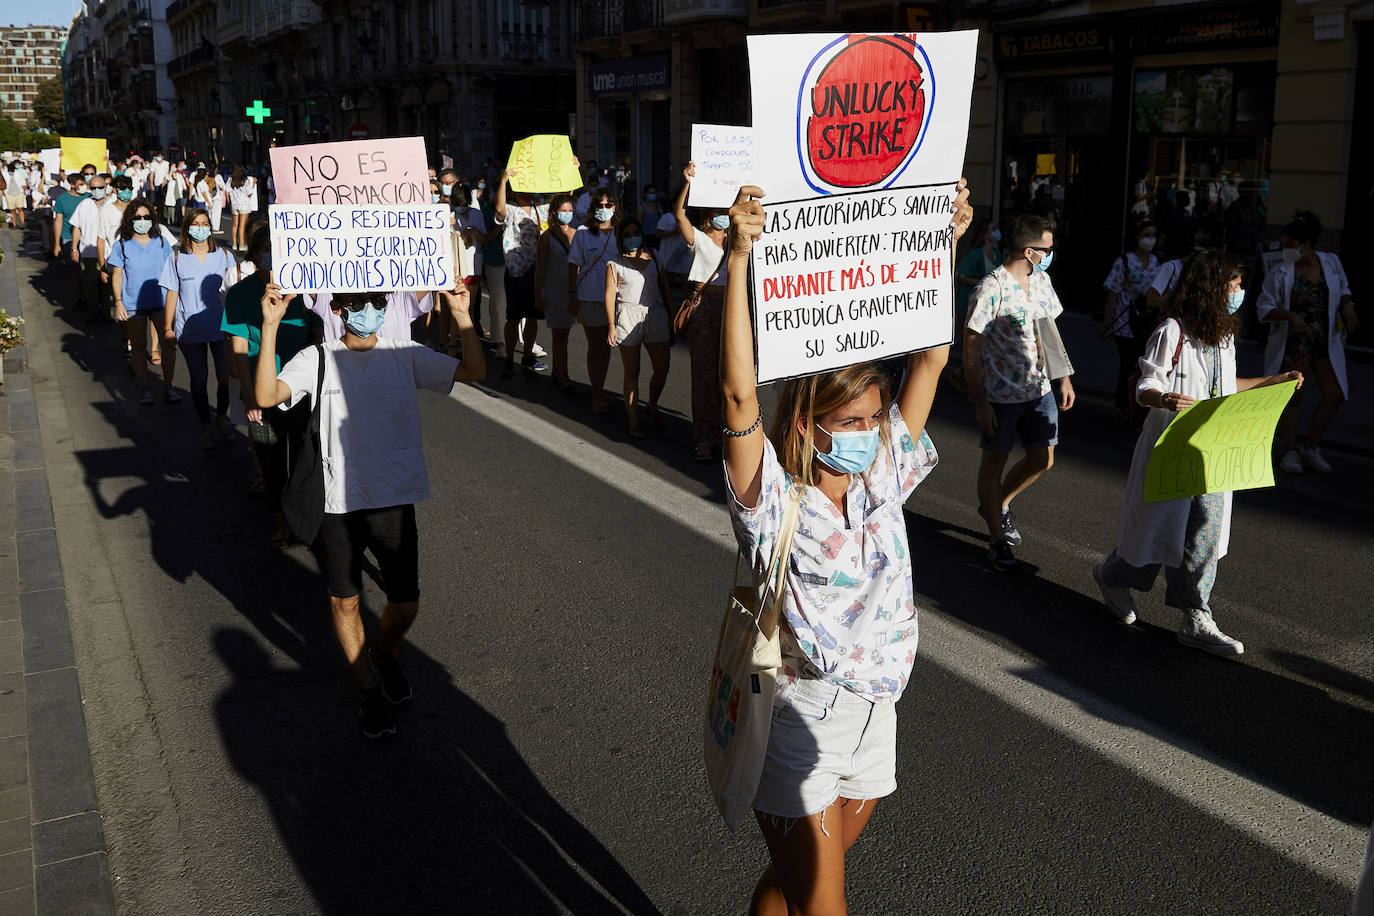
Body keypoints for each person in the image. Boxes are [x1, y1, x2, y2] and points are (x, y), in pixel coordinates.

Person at [722, 180, 972, 915]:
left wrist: (940, 245)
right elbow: (739, 401)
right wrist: (740, 258)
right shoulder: (773, 502)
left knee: (792, 885)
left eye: (874, 417)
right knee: (823, 903)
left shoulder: (886, 470)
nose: (870, 432)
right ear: (805, 424)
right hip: (800, 720)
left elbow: (929, 359)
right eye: (853, 421)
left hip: (877, 710)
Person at [252, 285, 486, 738]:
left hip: (394, 498)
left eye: (379, 302)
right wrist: (270, 325)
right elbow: (265, 395)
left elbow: (474, 370)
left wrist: (462, 315)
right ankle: (367, 693)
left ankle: (383, 653)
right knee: (346, 600)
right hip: (340, 502)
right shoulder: (316, 358)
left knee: (406, 603)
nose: (371, 311)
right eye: (359, 303)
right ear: (337, 309)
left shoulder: (405, 352)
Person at [1094, 252, 1302, 655]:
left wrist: (1273, 381)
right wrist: (1164, 397)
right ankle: (1114, 575)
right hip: (1173, 445)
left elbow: (1226, 387)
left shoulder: (1223, 334)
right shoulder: (1171, 331)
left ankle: (1195, 615)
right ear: (1212, 286)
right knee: (1157, 532)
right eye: (1235, 284)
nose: (1240, 292)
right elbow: (1144, 383)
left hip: (1214, 447)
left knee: (1205, 529)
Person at [964, 213, 1076, 572]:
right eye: (1047, 249)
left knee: (1043, 458)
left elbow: (1049, 331)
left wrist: (1064, 378)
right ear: (1029, 251)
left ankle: (998, 504)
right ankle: (997, 539)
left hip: (1039, 389)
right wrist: (980, 401)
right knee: (993, 464)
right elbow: (970, 348)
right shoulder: (990, 288)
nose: (1050, 254)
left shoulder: (1041, 281)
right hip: (1000, 396)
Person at [222, 222, 322, 547]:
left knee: (306, 458)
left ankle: (306, 517)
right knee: (271, 460)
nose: (272, 256)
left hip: (301, 394)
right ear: (254, 255)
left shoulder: (305, 294)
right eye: (265, 250)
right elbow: (238, 352)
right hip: (261, 397)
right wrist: (251, 399)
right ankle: (281, 520)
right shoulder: (239, 294)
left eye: (278, 250)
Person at [1257, 211, 1357, 475]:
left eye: (1290, 246)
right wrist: (1290, 315)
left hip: (1324, 339)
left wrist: (1348, 306)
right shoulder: (1281, 271)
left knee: (1335, 394)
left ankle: (1311, 446)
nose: (1285, 251)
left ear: (1306, 244)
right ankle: (1290, 450)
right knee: (1294, 396)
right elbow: (1264, 306)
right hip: (1293, 341)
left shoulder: (1330, 262)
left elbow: (1343, 287)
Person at [160, 209, 238, 447]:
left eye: (205, 223)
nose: (201, 228)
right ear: (187, 228)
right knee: (198, 379)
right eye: (196, 224)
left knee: (226, 376)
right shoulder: (176, 258)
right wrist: (167, 327)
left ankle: (222, 415)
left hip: (221, 326)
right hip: (189, 329)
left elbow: (235, 292)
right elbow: (172, 292)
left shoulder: (225, 256)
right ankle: (206, 426)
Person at [603, 218, 670, 438]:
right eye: (627, 234)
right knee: (632, 372)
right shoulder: (614, 262)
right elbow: (610, 294)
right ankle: (633, 420)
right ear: (621, 239)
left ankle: (652, 403)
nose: (633, 238)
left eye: (635, 233)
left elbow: (666, 287)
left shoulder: (655, 256)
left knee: (662, 368)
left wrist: (672, 317)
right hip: (628, 315)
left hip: (656, 313)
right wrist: (612, 326)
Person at [107, 198, 177, 404]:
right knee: (138, 347)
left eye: (146, 217)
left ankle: (169, 385)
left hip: (161, 301)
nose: (142, 220)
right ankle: (145, 388)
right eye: (137, 217)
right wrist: (118, 301)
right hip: (132, 303)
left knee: (168, 345)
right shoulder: (121, 245)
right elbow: (117, 274)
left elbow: (172, 271)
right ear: (130, 219)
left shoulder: (162, 242)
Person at [1102, 219, 1162, 424]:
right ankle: (1122, 406)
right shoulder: (1124, 262)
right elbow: (1112, 295)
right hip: (1125, 325)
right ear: (1137, 237)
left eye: (1153, 235)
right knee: (1127, 366)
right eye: (1146, 235)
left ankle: (1138, 407)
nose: (1150, 239)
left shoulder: (1156, 262)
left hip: (1146, 325)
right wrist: (1108, 325)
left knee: (1142, 367)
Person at [567, 188, 620, 412]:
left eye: (608, 205)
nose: (604, 209)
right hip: (590, 297)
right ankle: (597, 393)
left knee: (611, 349)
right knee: (598, 346)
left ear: (615, 208)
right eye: (600, 205)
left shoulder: (622, 234)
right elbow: (573, 265)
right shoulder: (582, 234)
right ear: (593, 208)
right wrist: (572, 295)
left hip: (619, 300)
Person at [491, 167, 547, 378]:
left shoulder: (541, 209)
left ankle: (526, 356)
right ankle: (508, 359)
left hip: (536, 272)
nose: (526, 192)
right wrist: (504, 180)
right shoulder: (512, 210)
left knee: (532, 317)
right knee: (513, 318)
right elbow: (499, 207)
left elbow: (562, 204)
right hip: (514, 273)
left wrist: (571, 169)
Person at [952, 218, 1002, 388]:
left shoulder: (997, 254)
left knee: (983, 344)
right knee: (974, 344)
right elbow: (958, 275)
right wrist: (980, 282)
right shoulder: (975, 254)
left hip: (988, 307)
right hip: (970, 304)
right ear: (985, 233)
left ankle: (963, 375)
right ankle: (965, 377)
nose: (997, 232)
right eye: (993, 228)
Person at [535, 193, 577, 390]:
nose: (567, 214)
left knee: (564, 334)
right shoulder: (546, 237)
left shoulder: (577, 235)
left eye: (570, 210)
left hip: (571, 290)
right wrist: (538, 294)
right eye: (563, 211)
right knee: (559, 335)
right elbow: (540, 268)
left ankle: (558, 371)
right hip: (553, 290)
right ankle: (563, 374)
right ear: (554, 213)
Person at [69, 173, 118, 322]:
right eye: (94, 188)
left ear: (106, 187)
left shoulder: (113, 204)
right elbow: (76, 227)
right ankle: (92, 314)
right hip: (89, 253)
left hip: (109, 254)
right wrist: (74, 248)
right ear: (90, 188)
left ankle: (107, 313)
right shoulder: (84, 204)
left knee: (107, 287)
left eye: (100, 187)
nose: (97, 190)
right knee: (90, 287)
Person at [51, 173, 90, 307]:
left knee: (89, 269)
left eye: (84, 183)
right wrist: (57, 244)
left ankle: (92, 296)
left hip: (87, 238)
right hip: (68, 238)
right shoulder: (62, 199)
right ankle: (80, 297)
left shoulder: (89, 197)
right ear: (72, 185)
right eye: (80, 184)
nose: (83, 187)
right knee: (76, 269)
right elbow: (58, 221)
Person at [227, 164, 257, 251]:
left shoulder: (230, 180)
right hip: (244, 205)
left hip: (234, 204)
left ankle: (234, 244)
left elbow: (227, 190)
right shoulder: (245, 180)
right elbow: (249, 193)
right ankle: (242, 244)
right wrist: (254, 184)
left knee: (235, 224)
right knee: (242, 226)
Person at [4, 160, 27, 229]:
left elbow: (23, 183)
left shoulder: (18, 173)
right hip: (9, 194)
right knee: (12, 210)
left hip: (19, 193)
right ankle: (14, 225)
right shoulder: (5, 174)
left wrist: (24, 191)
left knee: (20, 209)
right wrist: (4, 193)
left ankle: (22, 223)